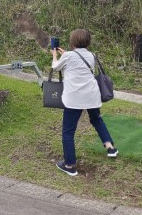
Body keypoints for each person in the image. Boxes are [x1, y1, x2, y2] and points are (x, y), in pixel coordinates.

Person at [51, 28, 117, 176]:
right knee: (96, 120)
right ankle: (110, 147)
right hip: (92, 96)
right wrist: (65, 55)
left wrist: (55, 55)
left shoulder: (68, 56)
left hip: (74, 99)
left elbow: (55, 67)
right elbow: (78, 63)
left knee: (68, 132)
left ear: (72, 41)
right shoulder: (91, 55)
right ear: (88, 42)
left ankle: (70, 165)